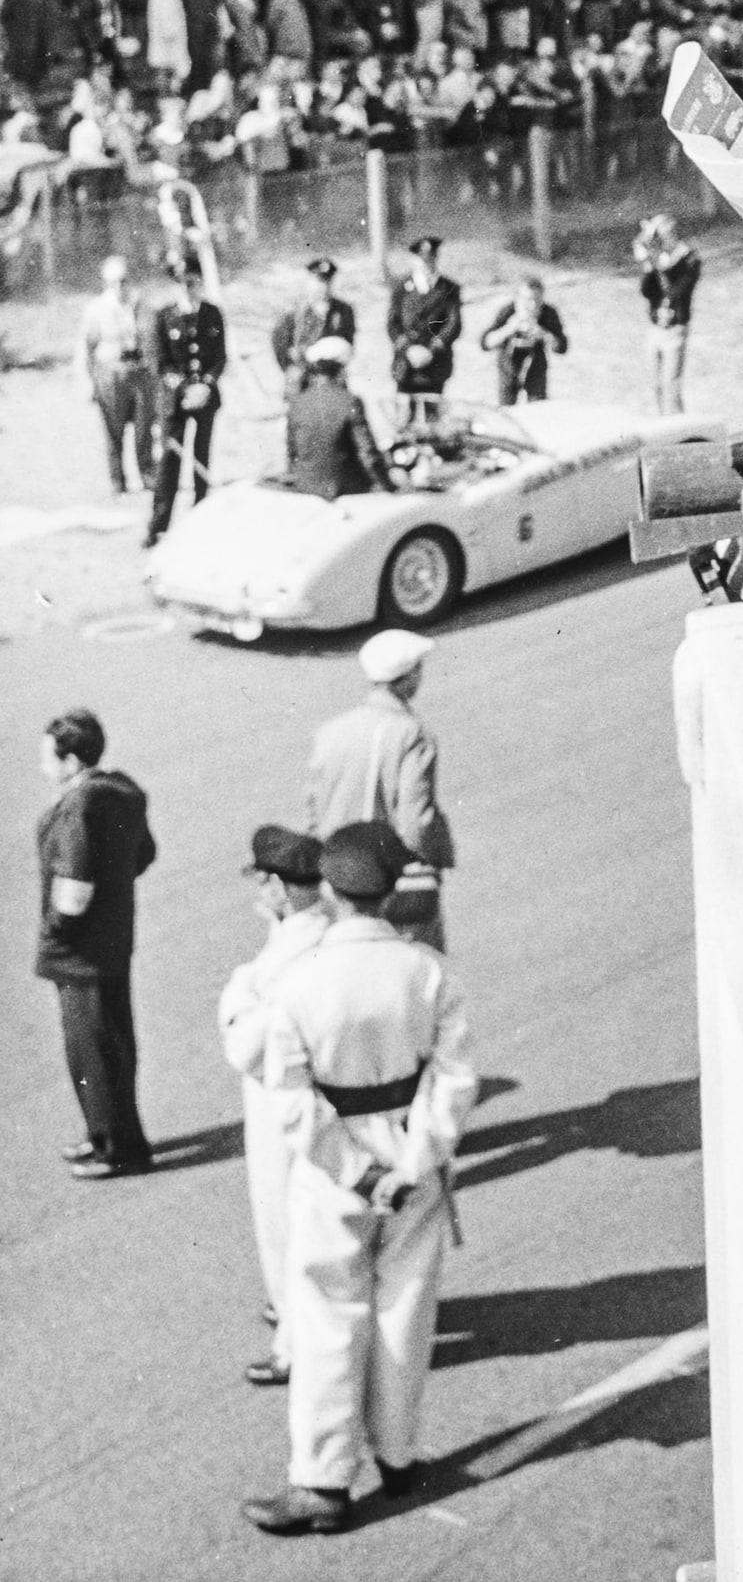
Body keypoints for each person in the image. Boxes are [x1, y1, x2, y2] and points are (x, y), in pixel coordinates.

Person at [241, 822, 477, 1536]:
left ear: (336, 895)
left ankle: (322, 1480)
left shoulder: (300, 981)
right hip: (413, 1157)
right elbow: (456, 1078)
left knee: (326, 1318)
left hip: (333, 1166)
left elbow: (289, 1096)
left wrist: (357, 1169)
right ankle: (400, 1457)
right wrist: (411, 1161)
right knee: (405, 1309)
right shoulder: (429, 970)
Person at [216, 825, 330, 1386]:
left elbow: (244, 1043)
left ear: (280, 887)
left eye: (261, 881)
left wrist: (239, 994)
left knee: (283, 1218)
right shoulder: (320, 928)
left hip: (280, 1101)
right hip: (322, 1098)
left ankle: (295, 1339)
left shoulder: (290, 951)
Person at [35, 708, 156, 1178]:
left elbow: (73, 890)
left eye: (48, 756)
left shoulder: (78, 806)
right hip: (113, 942)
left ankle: (117, 1148)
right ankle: (105, 1132)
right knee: (110, 1046)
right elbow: (143, 854)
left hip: (80, 954)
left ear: (70, 760)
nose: (43, 765)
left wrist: (54, 931)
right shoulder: (122, 792)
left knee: (93, 1053)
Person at [306, 632, 455, 954]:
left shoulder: (330, 731)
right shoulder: (410, 733)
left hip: (341, 879)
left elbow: (314, 810)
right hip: (389, 878)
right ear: (410, 677)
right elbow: (417, 821)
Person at [145, 250, 225, 547]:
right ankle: (158, 526)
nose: (187, 288)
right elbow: (159, 363)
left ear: (200, 282)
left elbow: (219, 357)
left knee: (202, 459)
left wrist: (205, 385)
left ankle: (200, 520)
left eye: (192, 282)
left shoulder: (212, 314)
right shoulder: (164, 316)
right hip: (174, 402)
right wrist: (183, 389)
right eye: (181, 283)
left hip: (205, 397)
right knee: (169, 462)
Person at [283, 335, 397, 499]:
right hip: (345, 489)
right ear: (341, 370)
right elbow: (368, 454)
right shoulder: (349, 401)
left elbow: (292, 454)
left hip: (306, 489)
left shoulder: (298, 402)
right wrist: (389, 486)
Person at [79, 253, 152, 496]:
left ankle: (147, 475)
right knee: (114, 431)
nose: (120, 286)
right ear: (106, 283)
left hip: (139, 372)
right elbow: (85, 348)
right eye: (114, 282)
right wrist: (87, 382)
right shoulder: (96, 309)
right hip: (111, 374)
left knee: (144, 428)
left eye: (124, 280)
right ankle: (118, 482)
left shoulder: (141, 304)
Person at [386, 235, 460, 423]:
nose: (427, 264)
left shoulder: (449, 288)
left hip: (435, 362)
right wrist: (408, 349)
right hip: (407, 363)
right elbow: (392, 324)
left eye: (431, 259)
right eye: (423, 259)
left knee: (433, 419)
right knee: (403, 420)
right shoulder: (401, 287)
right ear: (414, 260)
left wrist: (431, 350)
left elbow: (454, 324)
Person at [634, 212, 700, 416]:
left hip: (675, 328)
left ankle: (677, 427)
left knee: (671, 384)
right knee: (653, 384)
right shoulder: (659, 258)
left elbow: (678, 289)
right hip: (655, 328)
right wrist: (647, 264)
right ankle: (658, 424)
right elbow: (647, 291)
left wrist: (657, 262)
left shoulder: (688, 257)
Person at [478, 272, 567, 404]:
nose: (532, 305)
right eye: (527, 300)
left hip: (535, 366)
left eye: (537, 300)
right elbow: (485, 343)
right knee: (506, 410)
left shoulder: (548, 313)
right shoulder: (507, 311)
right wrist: (509, 328)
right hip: (508, 366)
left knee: (538, 408)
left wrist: (544, 334)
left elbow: (562, 347)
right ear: (517, 298)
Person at [270, 255, 354, 384]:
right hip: (302, 379)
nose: (324, 287)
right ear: (309, 282)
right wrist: (290, 369)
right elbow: (279, 344)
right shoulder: (294, 313)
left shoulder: (343, 311)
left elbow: (348, 342)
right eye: (319, 281)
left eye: (328, 282)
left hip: (333, 379)